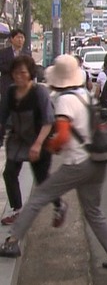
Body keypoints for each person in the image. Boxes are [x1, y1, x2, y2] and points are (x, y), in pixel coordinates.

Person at [0, 54, 107, 269]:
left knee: (40, 196)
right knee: (93, 211)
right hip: (98, 160)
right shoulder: (85, 95)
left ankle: (12, 241)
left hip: (77, 163)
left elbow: (61, 135)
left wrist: (48, 148)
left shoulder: (64, 100)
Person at [0, 55, 65, 226]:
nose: (18, 76)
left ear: (30, 73)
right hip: (18, 139)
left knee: (42, 179)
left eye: (22, 72)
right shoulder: (10, 92)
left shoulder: (39, 92)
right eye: (15, 73)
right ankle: (17, 210)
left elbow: (48, 120)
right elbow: (3, 115)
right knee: (9, 173)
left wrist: (37, 145)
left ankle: (59, 205)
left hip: (39, 140)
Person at [0, 29, 31, 100]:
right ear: (12, 39)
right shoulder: (3, 52)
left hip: (23, 86)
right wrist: (14, 68)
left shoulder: (27, 53)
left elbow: (30, 67)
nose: (20, 40)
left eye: (22, 37)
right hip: (7, 85)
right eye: (18, 37)